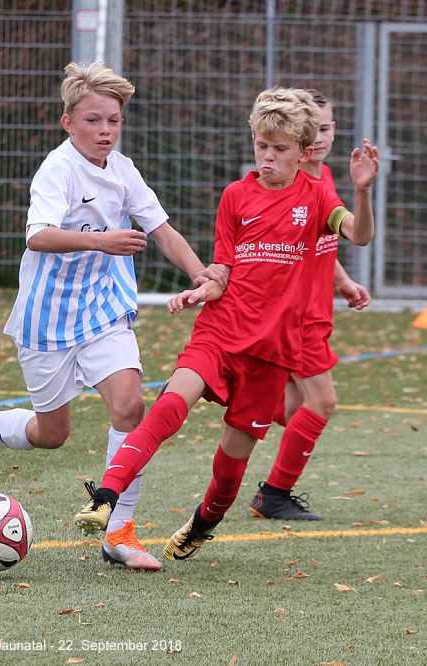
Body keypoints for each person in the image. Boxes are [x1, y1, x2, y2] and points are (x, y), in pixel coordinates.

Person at [0, 62, 222, 572]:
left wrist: (201, 275)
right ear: (68, 123)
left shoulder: (123, 170)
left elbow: (162, 230)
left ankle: (119, 531)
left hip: (104, 310)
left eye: (114, 120)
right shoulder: (58, 169)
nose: (105, 130)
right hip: (47, 318)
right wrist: (102, 241)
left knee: (130, 406)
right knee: (53, 434)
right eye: (93, 120)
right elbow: (37, 235)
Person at [73, 87, 379, 562]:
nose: (268, 157)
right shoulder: (236, 196)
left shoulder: (318, 197)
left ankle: (203, 523)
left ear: (303, 152)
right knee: (169, 406)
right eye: (261, 146)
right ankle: (105, 497)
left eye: (279, 149)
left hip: (272, 352)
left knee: (231, 464)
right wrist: (201, 290)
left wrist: (362, 190)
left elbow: (358, 234)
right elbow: (224, 270)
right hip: (221, 331)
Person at [248, 89, 371, 522]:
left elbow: (320, 238)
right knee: (322, 402)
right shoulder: (291, 182)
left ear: (333, 130)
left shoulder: (325, 178)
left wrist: (343, 280)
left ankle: (228, 390)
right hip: (294, 314)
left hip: (315, 309)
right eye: (308, 130)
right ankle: (274, 493)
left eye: (323, 128)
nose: (317, 137)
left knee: (292, 409)